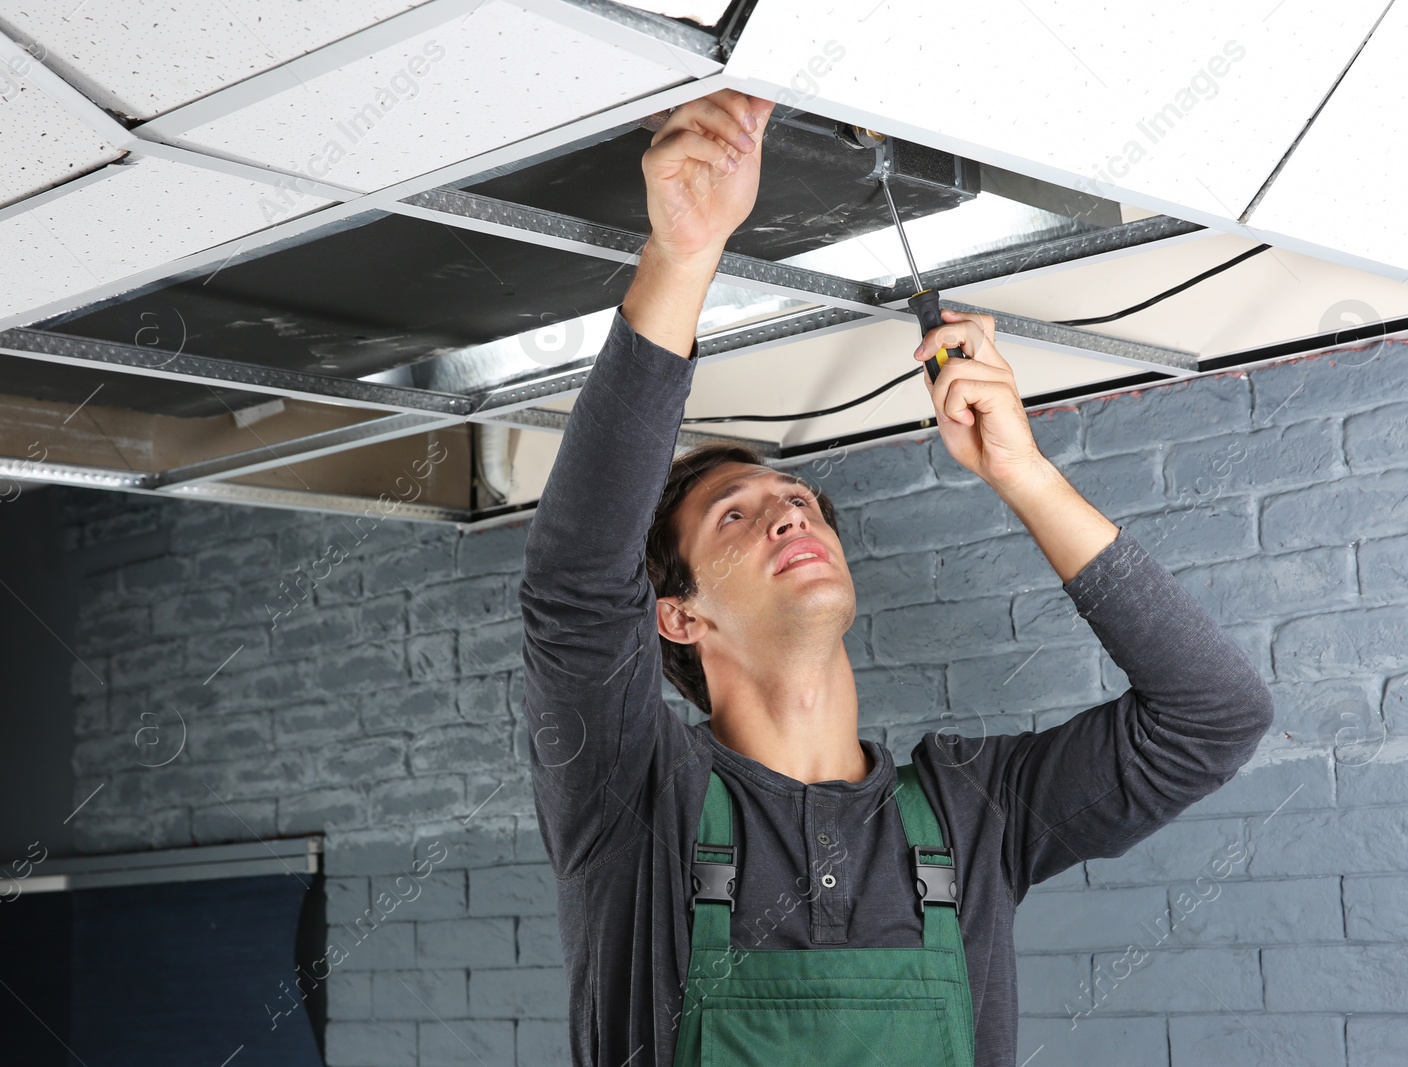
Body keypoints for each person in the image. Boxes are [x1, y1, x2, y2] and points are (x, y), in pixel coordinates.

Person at [518, 87, 1273, 1067]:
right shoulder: (635, 796)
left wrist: (1023, 471)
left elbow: (1213, 714)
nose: (791, 509)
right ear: (676, 616)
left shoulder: (973, 811)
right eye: (736, 514)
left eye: (798, 498)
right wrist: (684, 253)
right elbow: (575, 583)